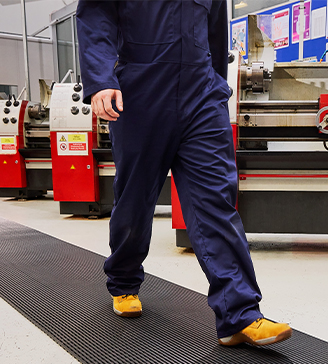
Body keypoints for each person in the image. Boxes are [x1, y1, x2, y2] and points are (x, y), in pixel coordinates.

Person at [76, 0, 292, 346]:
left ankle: (240, 313)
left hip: (200, 94)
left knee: (216, 200)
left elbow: (216, 35)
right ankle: (124, 280)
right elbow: (95, 18)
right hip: (140, 92)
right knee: (135, 200)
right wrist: (101, 79)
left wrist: (216, 89)